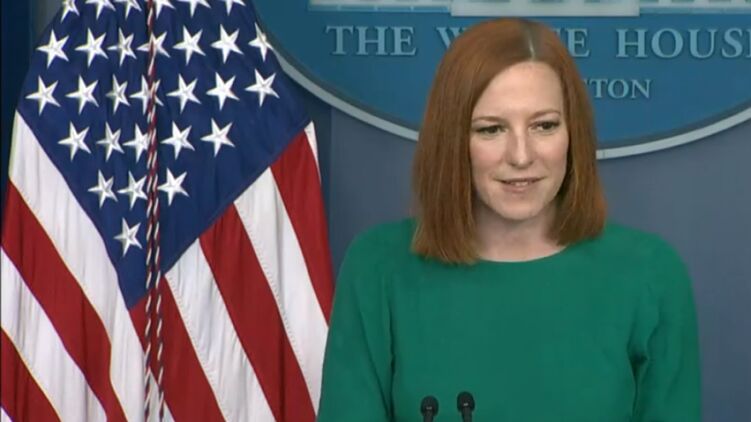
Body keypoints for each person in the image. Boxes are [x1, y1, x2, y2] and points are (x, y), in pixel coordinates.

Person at [316, 18, 700, 422]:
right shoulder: (378, 268)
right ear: (452, 140)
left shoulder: (649, 275)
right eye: (491, 129)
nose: (521, 155)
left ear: (573, 133)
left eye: (544, 125)